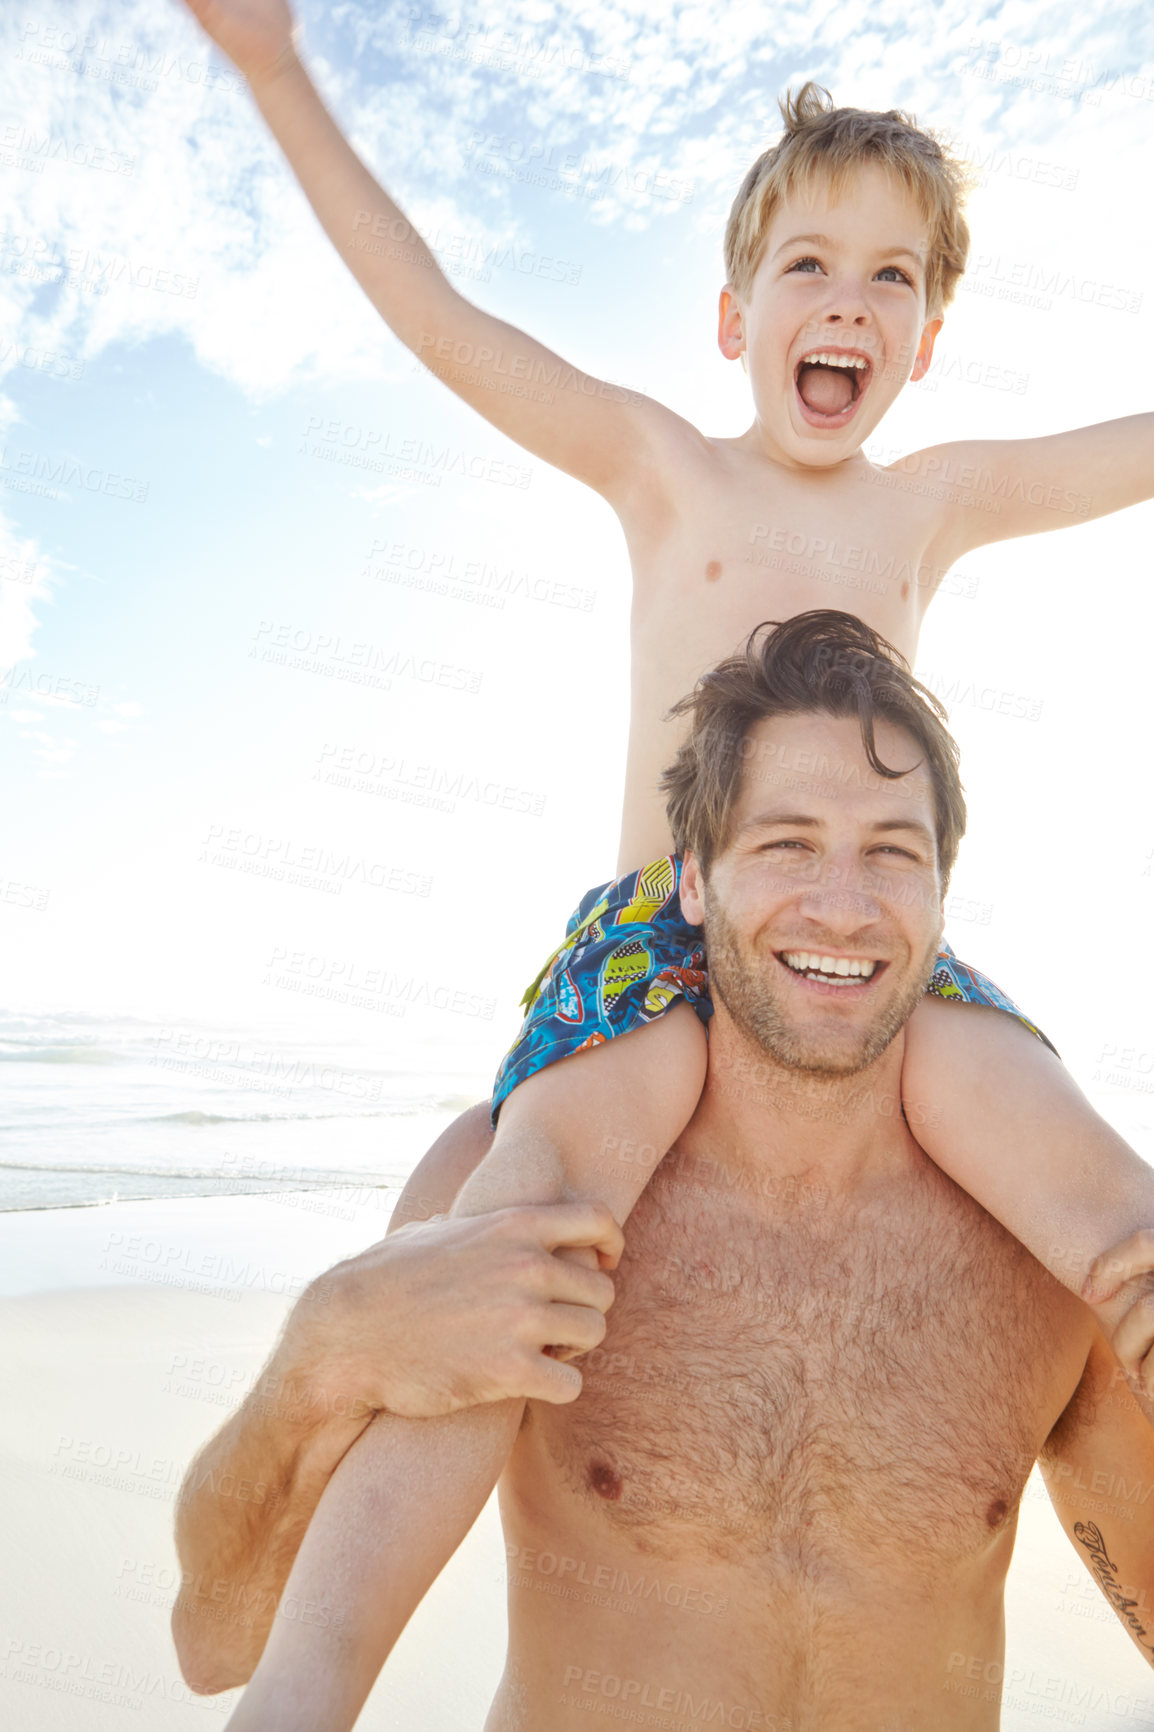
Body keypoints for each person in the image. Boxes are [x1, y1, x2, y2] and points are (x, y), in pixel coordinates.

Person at [174, 0, 1154, 1324]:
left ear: (923, 343)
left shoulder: (929, 501)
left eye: (890, 277)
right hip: (659, 932)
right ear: (729, 315)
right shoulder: (662, 468)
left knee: (1092, 1184)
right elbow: (436, 322)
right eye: (806, 265)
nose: (846, 304)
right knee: (521, 1234)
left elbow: (1127, 449)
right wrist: (276, 68)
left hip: (852, 936)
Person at [194, 613, 1154, 1728]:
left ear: (941, 895)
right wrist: (317, 1353)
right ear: (690, 884)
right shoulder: (509, 1209)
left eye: (891, 851)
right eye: (786, 842)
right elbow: (220, 1648)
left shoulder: (1045, 1261)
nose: (841, 904)